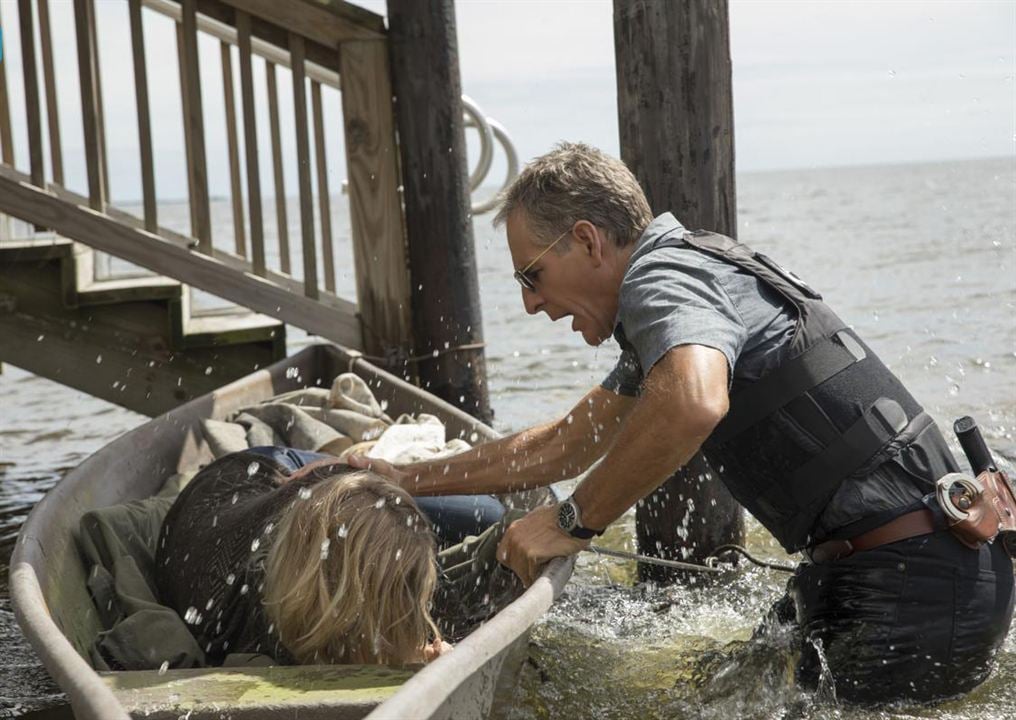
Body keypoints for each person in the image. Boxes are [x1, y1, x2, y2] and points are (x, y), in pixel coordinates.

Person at [350, 142, 1014, 703]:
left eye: (533, 274)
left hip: (920, 584)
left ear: (586, 241)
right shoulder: (688, 279)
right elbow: (561, 445)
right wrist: (403, 478)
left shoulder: (662, 279)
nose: (529, 303)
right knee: (713, 692)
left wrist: (568, 522)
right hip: (912, 565)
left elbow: (694, 402)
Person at [156, 447, 518, 667]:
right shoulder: (254, 624)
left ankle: (352, 461)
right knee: (485, 513)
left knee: (487, 514)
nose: (414, 609)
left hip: (293, 485)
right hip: (256, 478)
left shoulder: (312, 562)